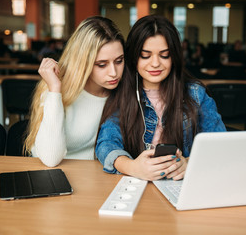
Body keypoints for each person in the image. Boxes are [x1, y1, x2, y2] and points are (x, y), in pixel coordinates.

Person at [96, 15, 226, 181]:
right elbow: (106, 144)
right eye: (145, 55)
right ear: (134, 57)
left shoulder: (196, 94)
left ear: (174, 58)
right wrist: (132, 167)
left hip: (182, 186)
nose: (155, 63)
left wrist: (189, 163)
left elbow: (219, 145)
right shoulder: (122, 93)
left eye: (164, 55)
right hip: (137, 185)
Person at [24, 16, 125, 167]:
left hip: (98, 178)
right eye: (102, 64)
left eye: (119, 61)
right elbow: (50, 159)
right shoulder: (55, 89)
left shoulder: (124, 92)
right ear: (83, 62)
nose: (114, 72)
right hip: (54, 176)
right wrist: (54, 91)